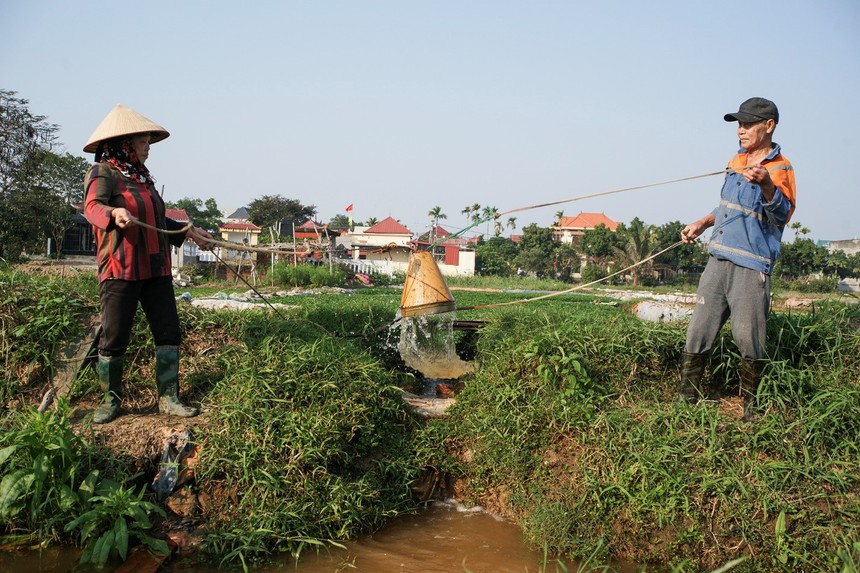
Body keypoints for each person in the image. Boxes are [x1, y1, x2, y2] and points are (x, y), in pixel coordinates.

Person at [83, 104, 215, 424]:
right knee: (114, 336)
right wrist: (113, 214)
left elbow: (155, 219)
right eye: (143, 143)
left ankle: (169, 398)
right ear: (124, 144)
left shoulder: (142, 178)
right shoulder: (104, 173)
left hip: (156, 268)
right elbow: (92, 207)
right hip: (121, 268)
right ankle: (111, 401)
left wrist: (190, 231)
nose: (148, 150)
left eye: (148, 144)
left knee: (168, 331)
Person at [678, 97, 796, 421]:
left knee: (748, 337)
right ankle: (685, 402)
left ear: (768, 126)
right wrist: (702, 223)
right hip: (718, 260)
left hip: (751, 265)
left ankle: (752, 410)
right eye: (738, 125)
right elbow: (726, 207)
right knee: (698, 330)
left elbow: (783, 214)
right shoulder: (736, 160)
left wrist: (768, 185)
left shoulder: (780, 168)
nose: (741, 131)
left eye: (747, 124)